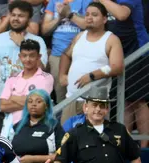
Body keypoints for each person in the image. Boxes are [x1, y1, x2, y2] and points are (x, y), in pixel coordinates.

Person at [0, 0, 48, 134]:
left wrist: (23, 44)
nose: (16, 19)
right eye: (13, 15)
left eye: (21, 16)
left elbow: (42, 70)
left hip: (23, 107)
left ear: (29, 20)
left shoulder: (38, 41)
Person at [59, 2, 124, 124]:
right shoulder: (79, 36)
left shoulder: (111, 39)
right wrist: (62, 75)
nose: (89, 17)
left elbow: (117, 67)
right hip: (72, 98)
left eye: (94, 15)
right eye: (87, 14)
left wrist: (92, 76)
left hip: (96, 102)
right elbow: (66, 55)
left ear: (104, 19)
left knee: (94, 140)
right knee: (66, 140)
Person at [101, 0, 149, 148]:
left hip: (137, 51)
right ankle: (124, 144)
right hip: (120, 53)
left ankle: (144, 145)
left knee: (139, 101)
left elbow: (122, 14)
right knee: (126, 101)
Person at [42, 0, 90, 104]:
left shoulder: (85, 1)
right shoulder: (53, 2)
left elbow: (89, 24)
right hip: (57, 56)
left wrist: (69, 15)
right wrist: (59, 18)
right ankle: (62, 119)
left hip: (79, 56)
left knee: (81, 95)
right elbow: (45, 29)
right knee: (61, 98)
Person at [0, 39, 53, 127]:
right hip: (11, 127)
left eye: (32, 56)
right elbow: (3, 106)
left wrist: (13, 98)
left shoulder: (46, 78)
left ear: (38, 57)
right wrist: (28, 101)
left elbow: (39, 104)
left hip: (34, 126)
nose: (27, 59)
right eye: (24, 56)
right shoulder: (12, 79)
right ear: (20, 56)